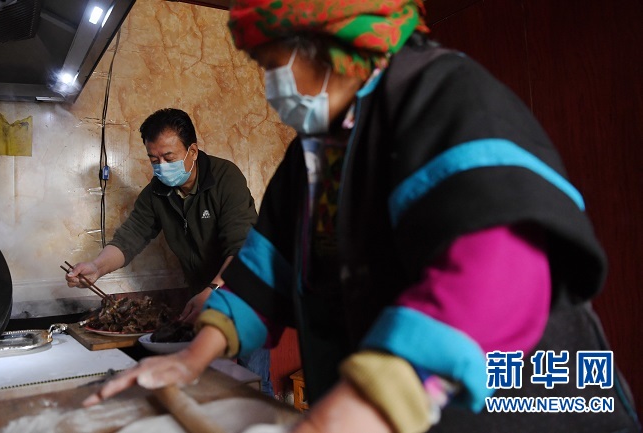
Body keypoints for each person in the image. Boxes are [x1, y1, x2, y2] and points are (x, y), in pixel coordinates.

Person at [82, 2, 640, 432]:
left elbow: (496, 270)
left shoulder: (444, 94)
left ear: (331, 45)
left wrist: (362, 406)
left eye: (276, 66)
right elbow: (265, 270)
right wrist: (192, 359)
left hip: (520, 402)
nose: (272, 86)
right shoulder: (312, 154)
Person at [66, 108, 272, 396]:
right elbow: (129, 238)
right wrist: (96, 267)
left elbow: (242, 248)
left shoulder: (226, 178)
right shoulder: (156, 193)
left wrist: (213, 291)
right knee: (207, 383)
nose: (161, 166)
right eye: (154, 160)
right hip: (204, 294)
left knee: (252, 383)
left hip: (244, 291)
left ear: (192, 151)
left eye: (168, 157)